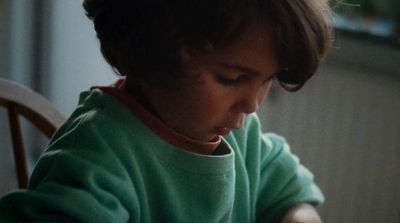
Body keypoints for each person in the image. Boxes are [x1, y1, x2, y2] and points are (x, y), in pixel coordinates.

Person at [0, 0, 332, 222]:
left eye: (267, 79)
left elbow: (290, 192)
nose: (253, 103)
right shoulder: (96, 155)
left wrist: (298, 215)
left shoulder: (243, 134)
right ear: (154, 53)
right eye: (233, 78)